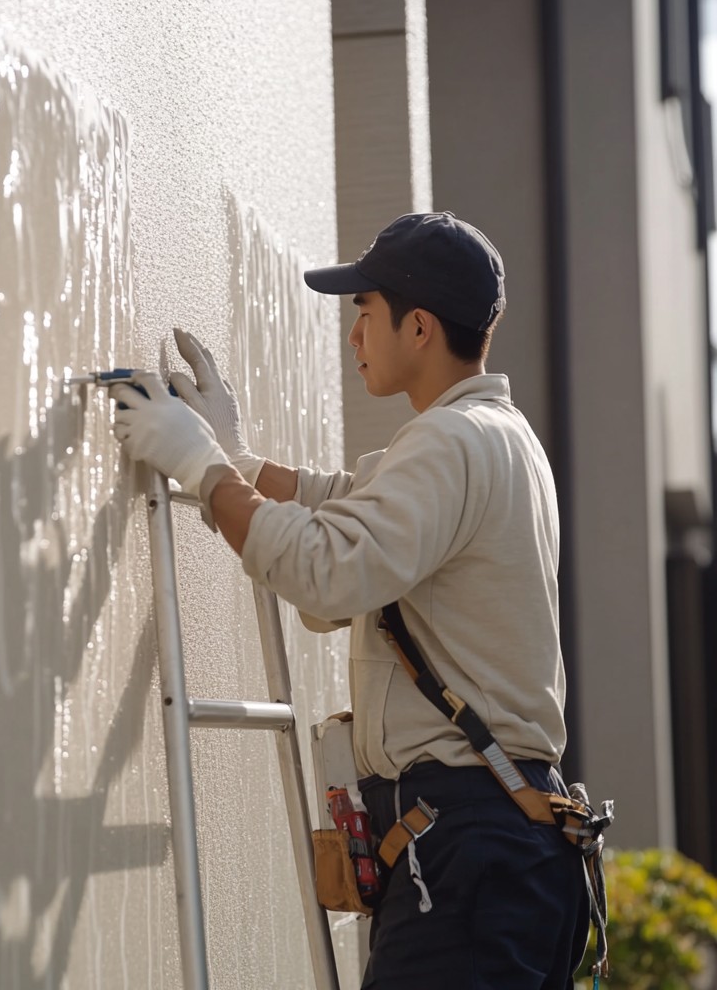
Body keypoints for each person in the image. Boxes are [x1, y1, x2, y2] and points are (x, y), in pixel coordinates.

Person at [109, 211, 591, 989]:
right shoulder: (499, 438)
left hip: (468, 855)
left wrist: (201, 467)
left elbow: (327, 570)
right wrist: (235, 458)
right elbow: (347, 502)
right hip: (511, 843)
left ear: (421, 326)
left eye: (365, 312)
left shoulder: (452, 442)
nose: (354, 335)